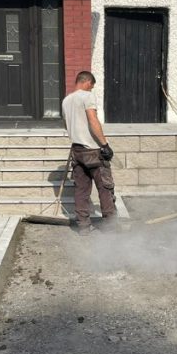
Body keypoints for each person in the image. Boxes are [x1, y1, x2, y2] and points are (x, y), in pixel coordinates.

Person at [61, 71, 116, 235]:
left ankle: (84, 227)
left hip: (77, 151)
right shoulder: (87, 96)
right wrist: (105, 145)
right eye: (92, 86)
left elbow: (66, 124)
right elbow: (93, 120)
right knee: (105, 188)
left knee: (81, 191)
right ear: (87, 82)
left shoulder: (66, 101)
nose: (92, 89)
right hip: (92, 151)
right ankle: (111, 228)